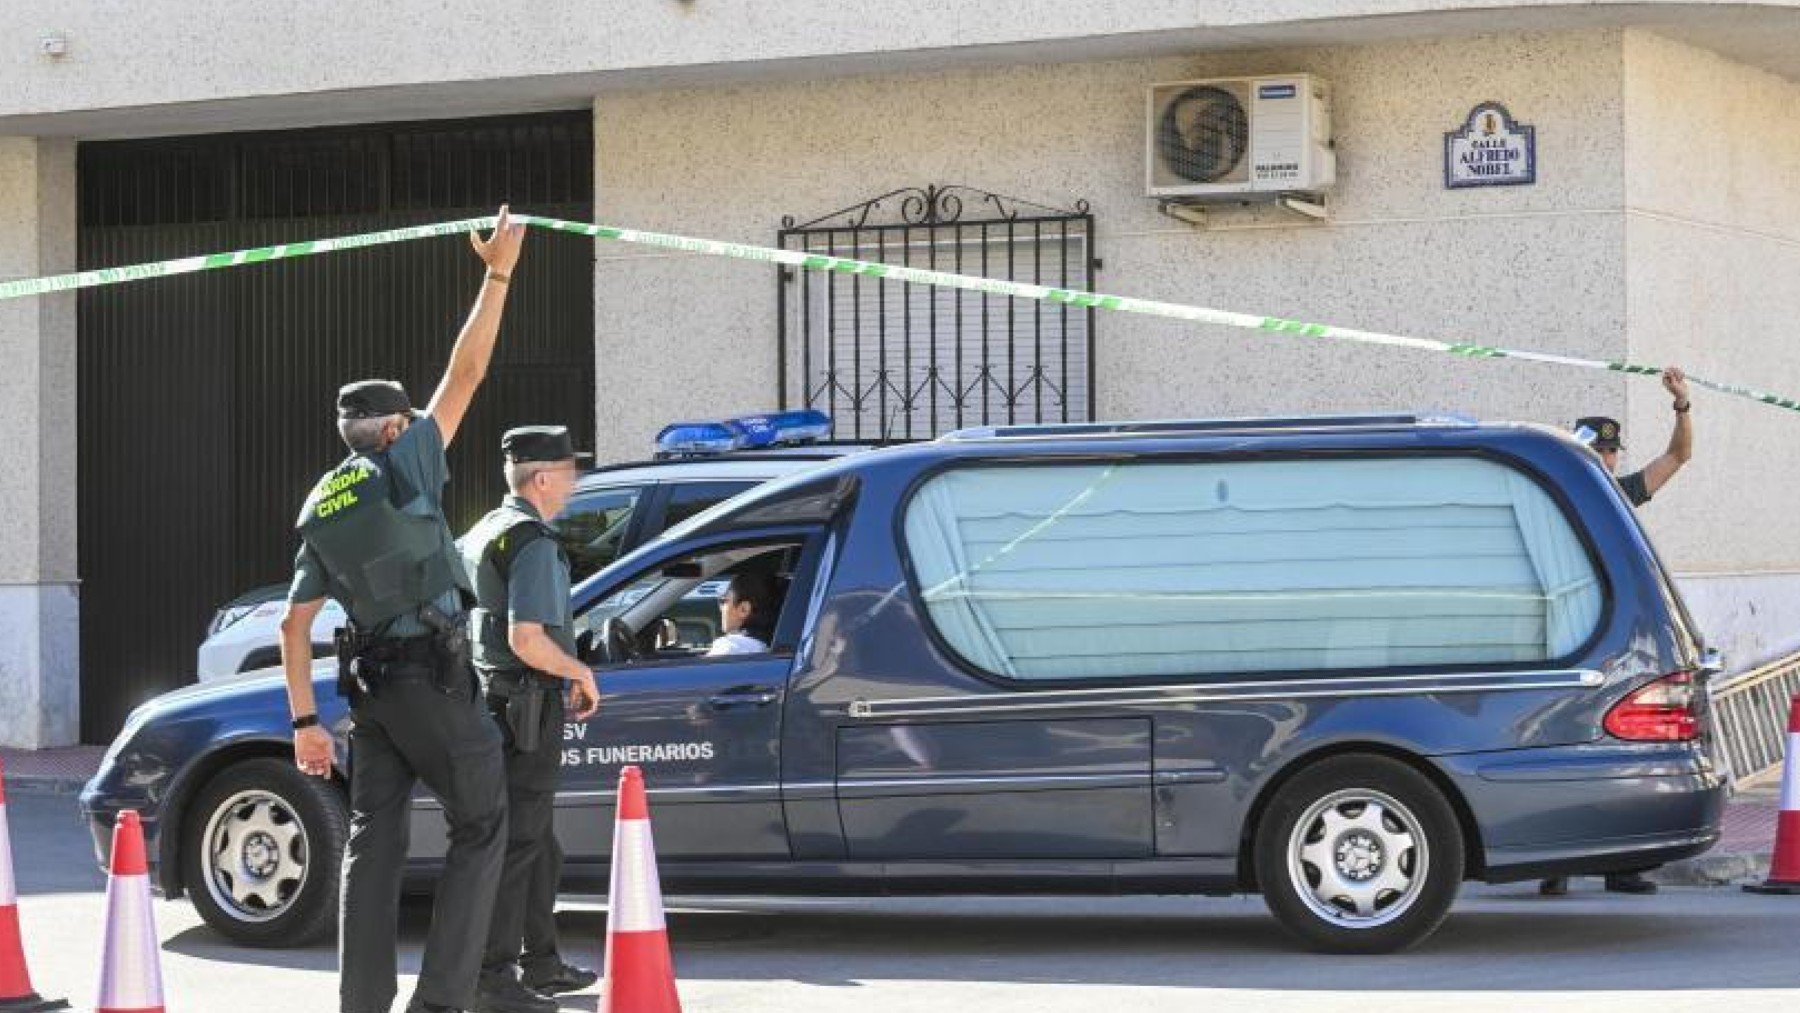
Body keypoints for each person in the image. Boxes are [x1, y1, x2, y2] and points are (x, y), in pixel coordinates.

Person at [281, 206, 525, 1013]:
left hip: (369, 698)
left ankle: (363, 1004)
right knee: (483, 825)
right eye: (409, 421)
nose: (422, 425)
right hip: (436, 683)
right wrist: (497, 273)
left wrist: (305, 724)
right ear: (390, 426)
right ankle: (441, 1003)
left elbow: (293, 623)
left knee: (371, 847)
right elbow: (466, 374)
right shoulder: (405, 462)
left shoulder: (327, 502)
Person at [461, 426, 602, 1012]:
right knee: (520, 843)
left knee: (539, 843)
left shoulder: (484, 530)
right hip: (528, 703)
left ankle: (541, 962)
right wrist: (579, 672)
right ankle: (493, 978)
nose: (576, 483)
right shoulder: (533, 542)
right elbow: (527, 638)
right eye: (571, 472)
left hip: (493, 702)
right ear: (543, 477)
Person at [1543, 365, 1694, 899]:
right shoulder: (1556, 498)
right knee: (1561, 748)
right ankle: (1552, 860)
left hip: (1615, 639)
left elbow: (1677, 458)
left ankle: (1621, 865)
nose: (1610, 461)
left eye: (1612, 453)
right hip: (1564, 639)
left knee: (1622, 750)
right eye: (1600, 451)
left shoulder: (1620, 496)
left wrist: (1681, 406)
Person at [706, 571, 781, 656]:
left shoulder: (730, 647)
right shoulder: (777, 648)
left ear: (744, 609)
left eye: (723, 601)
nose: (721, 608)